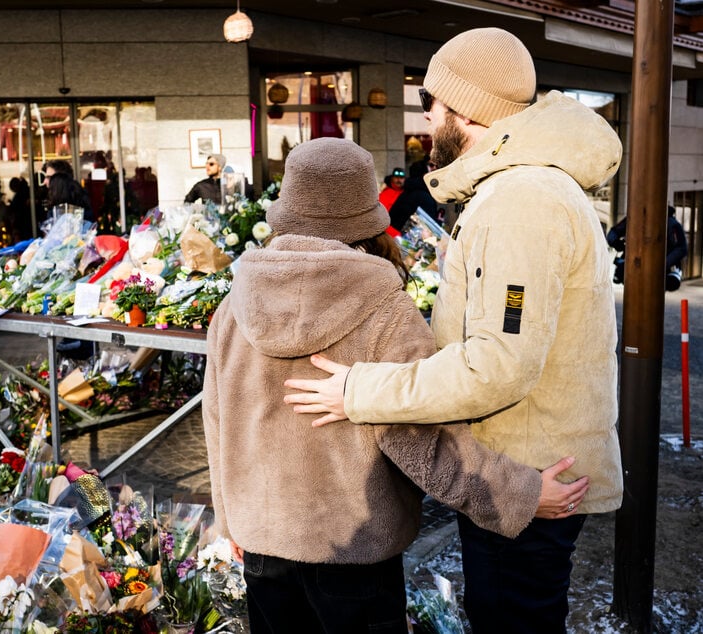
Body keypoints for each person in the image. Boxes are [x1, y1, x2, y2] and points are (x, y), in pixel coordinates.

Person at [282, 28, 624, 633]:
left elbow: (499, 365)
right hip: (525, 470)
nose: (426, 114)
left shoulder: (522, 201)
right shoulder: (519, 189)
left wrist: (359, 391)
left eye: (434, 101)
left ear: (468, 111)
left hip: (527, 477)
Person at [204, 137, 588, 634]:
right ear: (367, 215)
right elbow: (422, 440)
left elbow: (216, 422)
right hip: (355, 551)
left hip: (262, 547)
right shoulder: (384, 310)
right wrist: (522, 493)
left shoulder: (233, 307)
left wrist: (230, 520)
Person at [386, 159, 438, 231]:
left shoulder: (406, 192)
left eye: (401, 178)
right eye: (431, 166)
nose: (435, 169)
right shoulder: (422, 195)